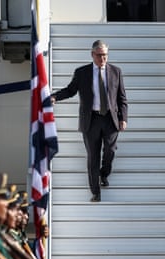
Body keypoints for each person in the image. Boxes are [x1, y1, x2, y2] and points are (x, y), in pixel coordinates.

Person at [51, 39, 128, 202]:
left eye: (105, 55)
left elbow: (122, 98)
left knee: (110, 151)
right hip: (91, 120)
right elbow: (70, 90)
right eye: (100, 55)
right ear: (92, 55)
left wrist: (123, 118)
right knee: (93, 156)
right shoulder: (82, 72)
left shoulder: (116, 72)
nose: (103, 59)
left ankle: (104, 173)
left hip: (110, 119)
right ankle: (95, 191)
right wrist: (55, 97)